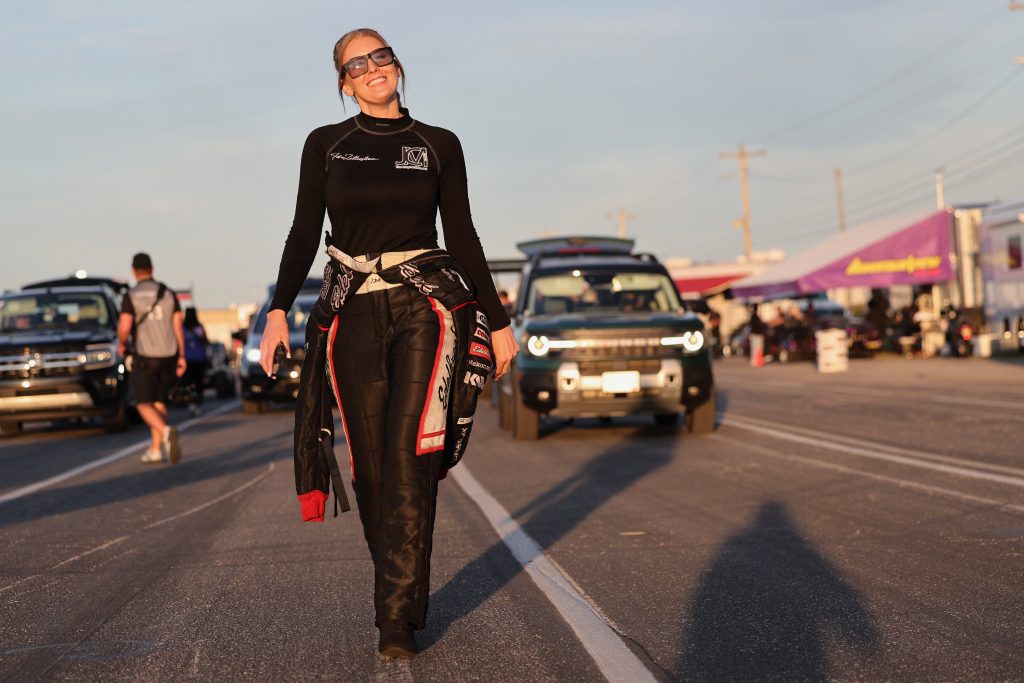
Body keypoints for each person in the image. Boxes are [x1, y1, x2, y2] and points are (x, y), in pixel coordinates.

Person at [259, 28, 519, 659]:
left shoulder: (437, 144)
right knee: (373, 463)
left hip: (424, 306)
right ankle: (396, 588)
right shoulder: (326, 145)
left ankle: (395, 615)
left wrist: (498, 316)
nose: (374, 68)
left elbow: (462, 231)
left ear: (397, 66)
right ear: (345, 83)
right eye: (359, 64)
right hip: (350, 311)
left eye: (382, 56)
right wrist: (276, 311)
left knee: (411, 452)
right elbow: (302, 231)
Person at [117, 253, 185, 464]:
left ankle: (165, 431)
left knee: (143, 404)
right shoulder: (168, 293)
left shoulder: (131, 295)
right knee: (159, 401)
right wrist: (182, 356)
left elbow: (125, 326)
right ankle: (155, 449)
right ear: (152, 269)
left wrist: (121, 343)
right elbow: (177, 327)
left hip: (145, 356)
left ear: (133, 271)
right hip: (169, 355)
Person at [181, 307, 210, 416]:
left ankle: (191, 403)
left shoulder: (182, 329)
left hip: (187, 360)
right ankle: (198, 403)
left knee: (189, 383)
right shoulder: (199, 327)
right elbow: (206, 341)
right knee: (199, 383)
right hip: (199, 359)